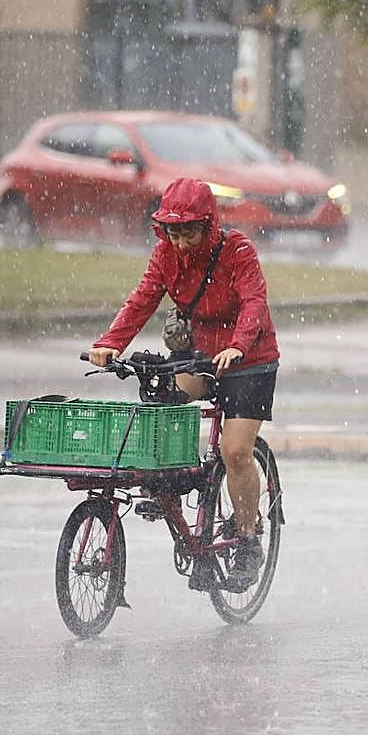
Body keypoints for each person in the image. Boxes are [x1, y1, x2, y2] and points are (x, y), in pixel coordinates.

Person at [87, 176, 279, 591]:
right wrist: (109, 343)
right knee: (162, 402)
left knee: (236, 451)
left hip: (251, 361)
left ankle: (248, 539)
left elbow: (254, 303)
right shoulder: (165, 255)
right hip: (200, 355)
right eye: (173, 231)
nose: (181, 241)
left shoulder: (237, 250)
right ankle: (173, 488)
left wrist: (239, 346)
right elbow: (142, 300)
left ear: (208, 225)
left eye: (189, 231)